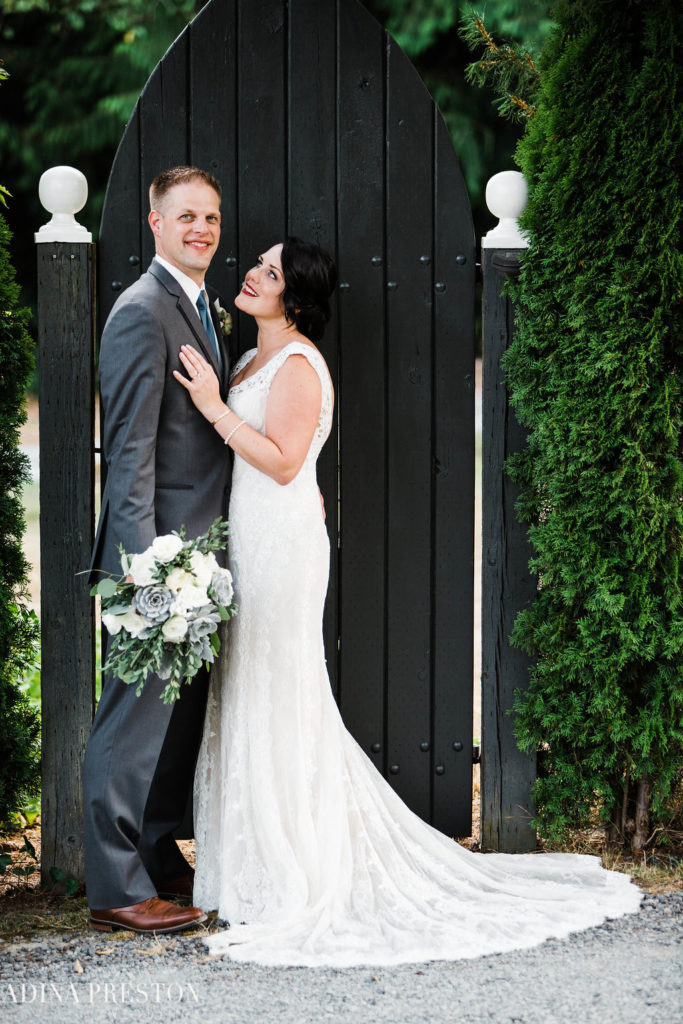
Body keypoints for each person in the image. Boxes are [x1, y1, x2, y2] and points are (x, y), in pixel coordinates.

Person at [175, 237, 642, 967]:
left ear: (294, 298)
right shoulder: (247, 360)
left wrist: (210, 408)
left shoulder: (297, 362)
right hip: (257, 536)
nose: (253, 276)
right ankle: (248, 863)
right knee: (250, 684)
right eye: (257, 265)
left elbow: (285, 459)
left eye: (270, 272)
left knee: (283, 688)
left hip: (281, 548)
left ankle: (297, 863)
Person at [83, 166, 235, 934]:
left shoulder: (199, 305)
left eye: (210, 216)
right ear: (154, 223)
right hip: (156, 563)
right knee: (133, 721)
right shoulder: (143, 311)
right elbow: (131, 453)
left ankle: (153, 855)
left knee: (172, 721)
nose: (201, 228)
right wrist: (148, 573)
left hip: (195, 559)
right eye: (185, 216)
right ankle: (114, 887)